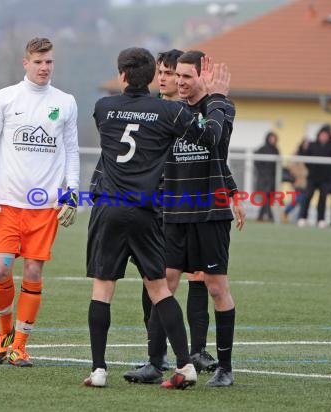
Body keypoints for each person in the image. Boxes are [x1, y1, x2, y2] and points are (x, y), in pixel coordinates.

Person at [84, 47, 232, 389]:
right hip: (147, 210)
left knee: (103, 289)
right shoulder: (166, 111)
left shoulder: (103, 108)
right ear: (154, 77)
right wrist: (218, 97)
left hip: (108, 207)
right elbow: (210, 137)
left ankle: (99, 371)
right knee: (161, 289)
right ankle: (185, 365)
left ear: (121, 75)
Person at [125, 50, 244, 388]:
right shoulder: (169, 111)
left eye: (187, 76)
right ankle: (154, 362)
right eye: (177, 75)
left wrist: (217, 97)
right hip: (174, 214)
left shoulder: (222, 107)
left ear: (203, 77)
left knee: (217, 288)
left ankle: (224, 368)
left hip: (210, 212)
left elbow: (216, 141)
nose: (179, 81)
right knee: (165, 283)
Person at [0, 37, 80, 367]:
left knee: (33, 271)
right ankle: (3, 332)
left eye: (49, 62)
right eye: (38, 62)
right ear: (26, 63)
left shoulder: (65, 102)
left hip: (44, 206)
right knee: (1, 269)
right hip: (5, 203)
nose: (45, 67)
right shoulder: (4, 98)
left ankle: (20, 345)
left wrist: (72, 189)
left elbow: (72, 150)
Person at [135, 49, 219, 375]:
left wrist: (232, 192)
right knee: (157, 281)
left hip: (193, 207)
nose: (166, 78)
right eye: (163, 72)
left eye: (171, 72)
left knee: (199, 276)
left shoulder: (191, 111)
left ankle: (197, 350)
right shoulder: (153, 113)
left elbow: (214, 154)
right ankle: (156, 353)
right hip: (157, 207)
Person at [297, 124, 331, 228]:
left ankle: (321, 219)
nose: (323, 137)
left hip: (325, 178)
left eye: (326, 135)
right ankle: (303, 218)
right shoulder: (312, 145)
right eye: (322, 134)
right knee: (308, 197)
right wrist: (302, 148)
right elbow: (303, 156)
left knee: (323, 199)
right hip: (313, 177)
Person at [281, 138, 308, 223]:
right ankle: (285, 212)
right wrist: (300, 175)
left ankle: (300, 218)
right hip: (298, 182)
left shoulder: (310, 153)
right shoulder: (296, 155)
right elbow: (292, 168)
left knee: (303, 200)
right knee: (298, 199)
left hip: (306, 182)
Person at [254, 131, 279, 222]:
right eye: (271, 138)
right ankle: (269, 216)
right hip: (264, 178)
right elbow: (257, 162)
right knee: (266, 196)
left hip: (272, 178)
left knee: (268, 197)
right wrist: (262, 172)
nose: (272, 140)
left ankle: (261, 216)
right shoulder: (262, 149)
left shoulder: (276, 150)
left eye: (274, 138)